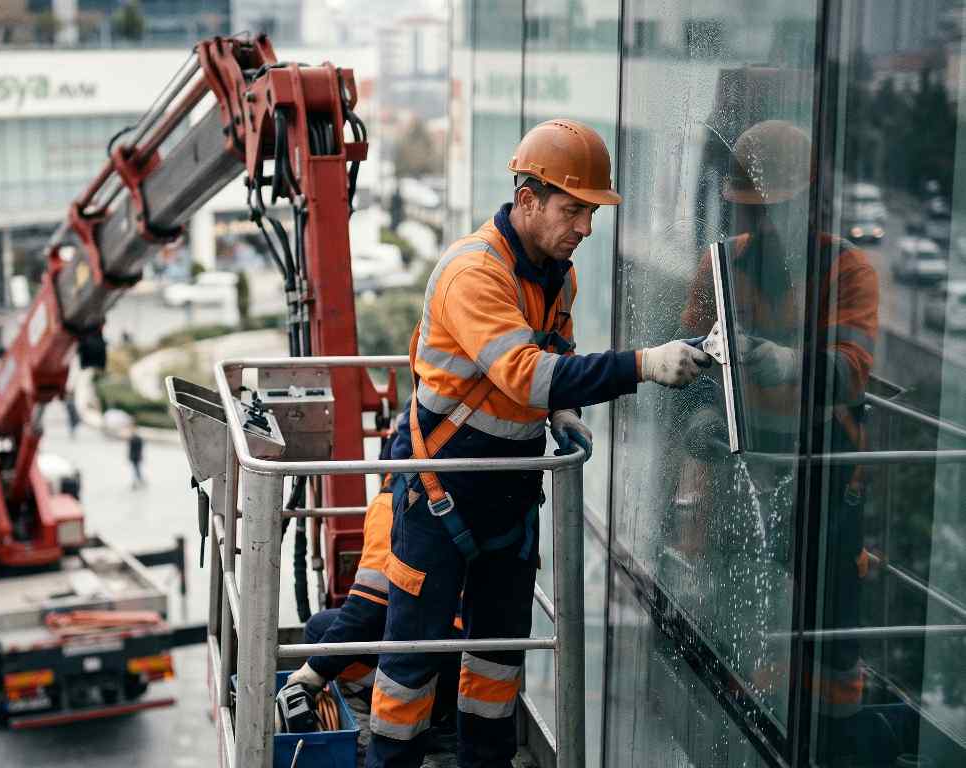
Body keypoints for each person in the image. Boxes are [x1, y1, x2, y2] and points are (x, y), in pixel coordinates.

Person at [366, 118, 712, 768]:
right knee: (410, 665)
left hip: (507, 501)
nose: (584, 226)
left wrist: (567, 412)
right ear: (527, 200)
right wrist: (641, 365)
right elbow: (527, 376)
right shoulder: (475, 273)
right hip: (439, 499)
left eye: (589, 212)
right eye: (572, 209)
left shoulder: (558, 274)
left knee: (496, 667)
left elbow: (557, 358)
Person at [675, 120, 882, 763]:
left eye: (772, 209)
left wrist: (792, 364)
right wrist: (702, 417)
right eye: (749, 209)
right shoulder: (722, 266)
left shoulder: (847, 270)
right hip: (744, 463)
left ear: (804, 200)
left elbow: (851, 369)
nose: (760, 223)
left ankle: (836, 739)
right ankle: (747, 734)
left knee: (829, 620)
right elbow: (689, 363)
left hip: (823, 464)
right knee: (743, 609)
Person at [287, 408, 461, 756]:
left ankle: (400, 713)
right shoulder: (451, 482)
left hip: (440, 664)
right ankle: (435, 716)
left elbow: (366, 608)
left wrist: (311, 673)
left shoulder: (392, 501)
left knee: (321, 630)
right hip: (461, 652)